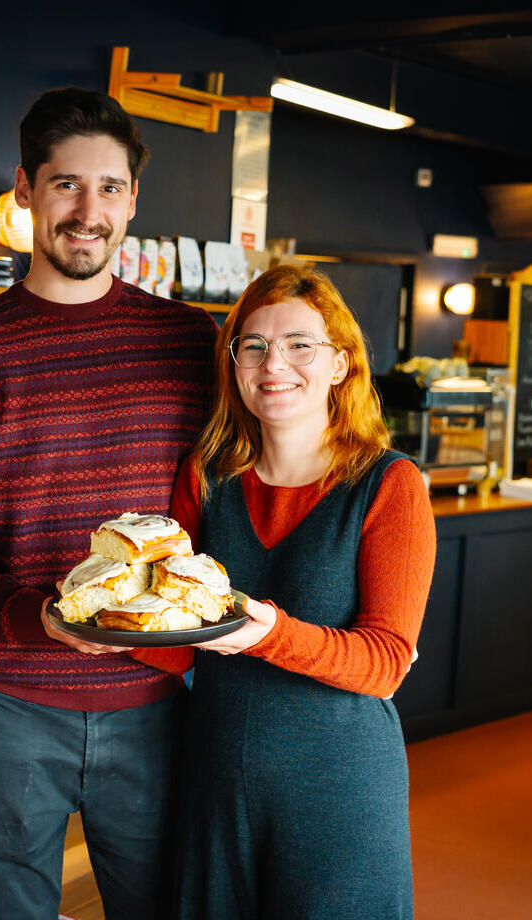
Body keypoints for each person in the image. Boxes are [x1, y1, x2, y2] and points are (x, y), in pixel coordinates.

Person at [0, 86, 216, 920]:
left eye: (109, 188)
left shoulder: (194, 346)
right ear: (25, 190)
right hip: (8, 708)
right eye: (67, 185)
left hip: (155, 703)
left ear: (133, 200)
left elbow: (228, 509)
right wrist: (34, 617)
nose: (89, 211)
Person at [170, 264, 436, 920]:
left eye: (299, 344)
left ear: (341, 364)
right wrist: (82, 628)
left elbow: (385, 664)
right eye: (253, 346)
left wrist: (267, 634)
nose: (273, 363)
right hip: (214, 784)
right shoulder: (205, 478)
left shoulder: (389, 486)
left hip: (339, 794)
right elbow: (167, 627)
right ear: (233, 365)